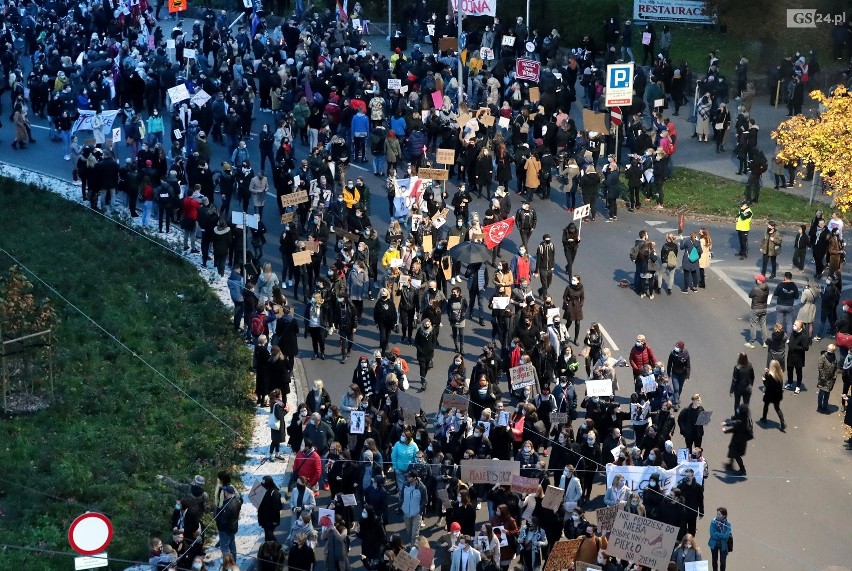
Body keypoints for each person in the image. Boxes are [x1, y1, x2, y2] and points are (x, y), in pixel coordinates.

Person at [722, 406, 753, 475]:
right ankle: (730, 464)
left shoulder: (741, 422)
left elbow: (734, 426)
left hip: (738, 441)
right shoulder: (747, 419)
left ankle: (742, 470)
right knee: (732, 449)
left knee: (736, 455)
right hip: (741, 440)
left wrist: (726, 429)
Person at [214, 485, 242, 557]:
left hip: (225, 530)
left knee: (224, 548)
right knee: (232, 546)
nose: (224, 493)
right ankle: (233, 562)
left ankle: (227, 564)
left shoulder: (227, 506)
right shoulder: (237, 501)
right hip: (233, 527)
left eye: (224, 492)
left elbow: (223, 520)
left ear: (227, 493)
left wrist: (218, 526)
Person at [401, 470, 428, 545]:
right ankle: (413, 545)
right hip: (406, 513)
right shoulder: (405, 485)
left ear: (415, 478)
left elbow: (424, 501)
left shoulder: (422, 488)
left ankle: (413, 549)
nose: (407, 478)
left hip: (416, 515)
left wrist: (420, 511)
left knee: (414, 535)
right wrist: (402, 505)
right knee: (409, 531)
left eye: (409, 477)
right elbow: (401, 497)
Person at [760, 360, 787, 431]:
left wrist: (763, 379)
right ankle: (782, 421)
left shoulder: (770, 375)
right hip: (777, 394)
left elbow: (767, 385)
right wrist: (767, 372)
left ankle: (764, 418)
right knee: (777, 408)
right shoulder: (780, 373)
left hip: (770, 394)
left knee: (766, 405)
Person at [257, 476, 282, 541]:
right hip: (264, 517)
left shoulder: (274, 493)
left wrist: (274, 520)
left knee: (269, 533)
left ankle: (276, 547)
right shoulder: (266, 490)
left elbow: (276, 508)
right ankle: (269, 548)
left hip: (271, 519)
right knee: (268, 535)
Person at [817, 344, 839, 412]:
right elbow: (820, 368)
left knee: (827, 394)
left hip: (830, 380)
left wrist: (834, 376)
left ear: (833, 351)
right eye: (828, 349)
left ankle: (825, 407)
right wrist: (823, 376)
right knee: (821, 393)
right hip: (823, 379)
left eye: (830, 349)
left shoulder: (834, 358)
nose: (829, 350)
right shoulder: (823, 357)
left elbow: (835, 368)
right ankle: (820, 406)